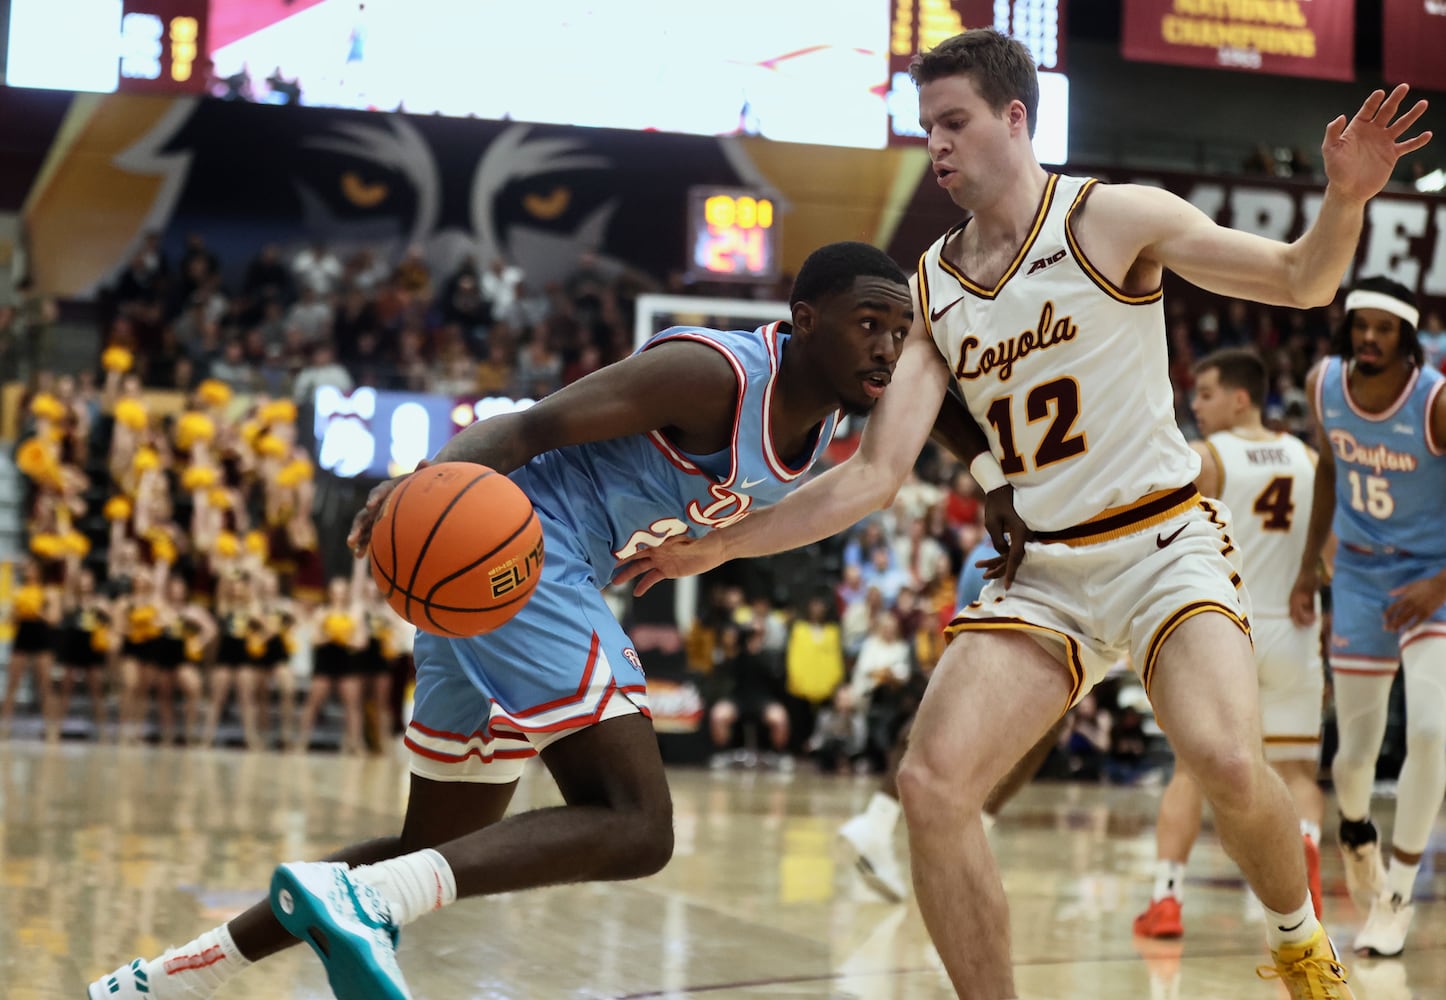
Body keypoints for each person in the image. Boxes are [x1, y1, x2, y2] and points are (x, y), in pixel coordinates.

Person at [618, 29, 1430, 999]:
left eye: (954, 122)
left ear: (1016, 117)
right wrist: (719, 545)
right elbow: (874, 475)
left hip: (1163, 542)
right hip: (1045, 569)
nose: (939, 147)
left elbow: (1303, 281)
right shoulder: (931, 285)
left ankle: (1303, 946)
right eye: (928, 129)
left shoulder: (1110, 217)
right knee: (931, 787)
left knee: (1220, 754)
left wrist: (1344, 199)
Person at [85, 241, 921, 1000]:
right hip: (520, 554)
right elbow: (531, 425)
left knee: (426, 848)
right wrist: (417, 488)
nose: (887, 346)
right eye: (867, 324)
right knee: (638, 826)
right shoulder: (713, 375)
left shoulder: (830, 425)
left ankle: (159, 981)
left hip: (497, 585)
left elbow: (946, 396)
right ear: (806, 322)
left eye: (899, 330)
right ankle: (361, 902)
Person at [1134, 348, 1327, 939]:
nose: (1197, 403)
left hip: (1229, 630)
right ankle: (1305, 859)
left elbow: (1164, 539)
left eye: (1208, 393)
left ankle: (1167, 898)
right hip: (1295, 625)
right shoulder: (1311, 459)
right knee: (1295, 771)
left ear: (1241, 398)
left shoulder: (1207, 458)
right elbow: (1331, 553)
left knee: (1191, 771)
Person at [1289, 276, 1446, 957]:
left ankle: (1398, 895)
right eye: (1362, 327)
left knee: (1434, 732)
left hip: (1432, 578)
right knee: (1353, 756)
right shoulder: (1323, 384)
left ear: (1408, 339)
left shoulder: (1436, 401)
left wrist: (1439, 582)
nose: (1371, 339)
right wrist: (1306, 567)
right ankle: (1356, 830)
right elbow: (1326, 469)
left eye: (1385, 329)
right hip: (1354, 574)